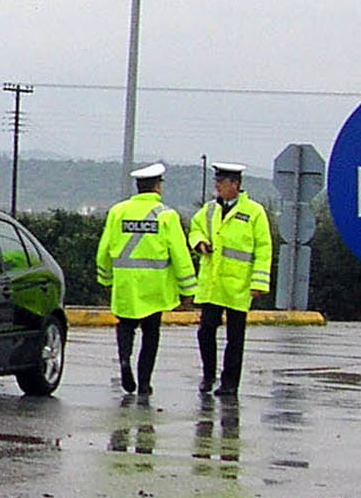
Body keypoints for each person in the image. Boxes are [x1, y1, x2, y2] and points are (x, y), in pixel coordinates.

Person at [94, 162, 197, 398]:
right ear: (157, 188)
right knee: (151, 334)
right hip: (154, 287)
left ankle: (123, 361)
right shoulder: (167, 216)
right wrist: (188, 289)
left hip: (125, 284)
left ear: (138, 187)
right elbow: (180, 254)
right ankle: (144, 382)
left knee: (126, 325)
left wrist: (106, 278)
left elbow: (104, 249)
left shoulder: (117, 212)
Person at [188, 162, 273, 396]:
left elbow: (264, 249)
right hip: (212, 283)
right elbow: (195, 229)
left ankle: (230, 382)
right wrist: (199, 242)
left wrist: (259, 283)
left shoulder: (253, 212)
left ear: (235, 185)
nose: (217, 186)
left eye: (221, 182)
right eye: (216, 181)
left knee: (235, 337)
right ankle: (208, 374)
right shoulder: (209, 210)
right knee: (206, 331)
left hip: (239, 284)